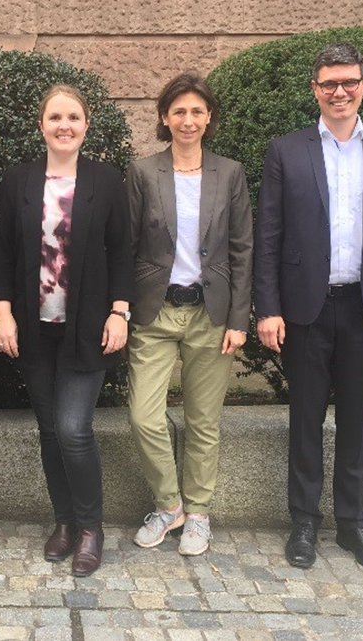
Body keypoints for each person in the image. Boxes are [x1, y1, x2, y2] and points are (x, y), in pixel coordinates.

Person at [254, 42, 363, 573]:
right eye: (329, 83)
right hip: (305, 310)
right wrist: (268, 307)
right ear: (315, 90)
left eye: (349, 81)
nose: (339, 91)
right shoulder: (287, 150)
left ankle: (354, 526)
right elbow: (269, 237)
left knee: (357, 422)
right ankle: (303, 523)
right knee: (304, 420)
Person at [0, 85, 134, 577]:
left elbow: (123, 251)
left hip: (87, 329)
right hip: (33, 328)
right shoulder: (18, 181)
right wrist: (2, 313)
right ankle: (65, 522)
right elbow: (3, 254)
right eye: (55, 117)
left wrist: (120, 311)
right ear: (41, 124)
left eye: (73, 117)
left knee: (73, 428)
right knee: (50, 430)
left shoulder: (106, 180)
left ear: (86, 124)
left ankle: (92, 527)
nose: (64, 125)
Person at [126, 72, 253, 556]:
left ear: (209, 118)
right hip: (155, 312)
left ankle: (198, 513)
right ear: (164, 117)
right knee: (143, 416)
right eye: (179, 110)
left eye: (197, 111)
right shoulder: (142, 172)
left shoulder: (230, 173)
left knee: (204, 421)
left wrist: (240, 320)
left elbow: (242, 248)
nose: (188, 119)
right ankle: (169, 504)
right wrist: (123, 306)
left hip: (212, 313)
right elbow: (128, 244)